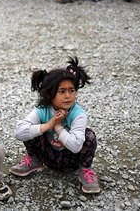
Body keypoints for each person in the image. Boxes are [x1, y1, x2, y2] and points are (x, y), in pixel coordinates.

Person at [10, 57, 100, 194]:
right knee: (32, 129)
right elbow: (19, 133)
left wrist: (58, 127)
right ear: (50, 93)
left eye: (72, 90)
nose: (68, 96)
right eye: (62, 91)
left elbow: (76, 147)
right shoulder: (42, 110)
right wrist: (48, 124)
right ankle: (35, 161)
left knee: (89, 136)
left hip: (71, 161)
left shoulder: (78, 114)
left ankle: (85, 170)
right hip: (47, 157)